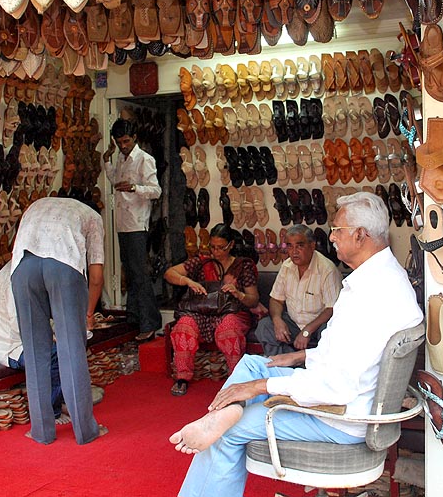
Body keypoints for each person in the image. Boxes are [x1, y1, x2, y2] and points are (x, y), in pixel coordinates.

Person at [169, 192, 424, 497]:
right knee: (252, 363)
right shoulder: (383, 279)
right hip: (339, 392)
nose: (332, 237)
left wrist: (259, 388)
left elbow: (335, 388)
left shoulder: (371, 294)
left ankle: (221, 419)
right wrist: (299, 355)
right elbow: (352, 354)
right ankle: (221, 413)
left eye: (338, 230)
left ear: (359, 235)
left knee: (227, 433)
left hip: (340, 416)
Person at [10, 195, 106, 445]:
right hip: (63, 268)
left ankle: (41, 431)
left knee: (35, 352)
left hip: (22, 269)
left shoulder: (39, 203)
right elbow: (96, 276)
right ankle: (85, 431)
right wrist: (88, 313)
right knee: (70, 348)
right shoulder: (93, 218)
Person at [163, 224, 260, 397]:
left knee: (228, 329)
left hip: (230, 311)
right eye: (213, 247)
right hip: (201, 311)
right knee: (184, 327)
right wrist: (187, 281)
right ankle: (182, 377)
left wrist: (238, 294)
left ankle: (236, 378)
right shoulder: (202, 261)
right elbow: (169, 273)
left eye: (221, 247)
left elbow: (253, 300)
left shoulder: (242, 265)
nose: (216, 252)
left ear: (230, 245)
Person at [103, 118, 162, 341]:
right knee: (131, 272)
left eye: (126, 141)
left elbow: (156, 191)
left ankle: (150, 322)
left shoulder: (144, 159)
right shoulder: (120, 157)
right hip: (123, 223)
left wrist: (135, 187)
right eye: (119, 142)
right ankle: (135, 318)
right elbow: (116, 180)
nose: (123, 145)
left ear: (134, 138)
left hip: (137, 223)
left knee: (140, 274)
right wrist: (107, 161)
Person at [0, 261, 68, 425]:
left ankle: (62, 401)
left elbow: (40, 313)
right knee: (53, 354)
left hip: (23, 341)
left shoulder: (25, 273)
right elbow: (18, 322)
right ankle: (51, 412)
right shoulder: (12, 278)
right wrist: (49, 335)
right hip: (9, 347)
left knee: (66, 347)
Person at [254, 224, 341, 356]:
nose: (294, 251)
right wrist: (277, 321)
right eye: (289, 246)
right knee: (264, 326)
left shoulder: (327, 269)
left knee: (330, 331)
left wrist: (307, 331)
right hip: (294, 323)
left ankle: (312, 366)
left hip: (317, 325)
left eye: (300, 245)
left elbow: (332, 309)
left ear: (312, 246)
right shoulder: (287, 266)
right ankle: (285, 364)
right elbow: (276, 299)